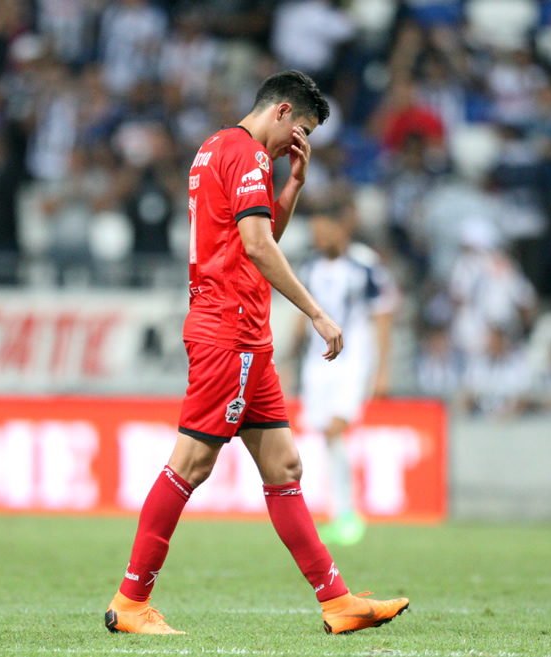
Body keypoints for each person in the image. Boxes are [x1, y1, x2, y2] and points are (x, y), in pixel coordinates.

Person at [103, 70, 409, 635]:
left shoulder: (214, 149)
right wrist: (316, 311)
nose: (299, 143)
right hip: (230, 330)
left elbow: (258, 235)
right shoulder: (246, 154)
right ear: (283, 111)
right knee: (190, 464)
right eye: (302, 131)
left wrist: (291, 184)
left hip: (242, 332)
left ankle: (338, 602)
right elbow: (256, 245)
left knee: (284, 465)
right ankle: (130, 602)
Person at [291, 208, 399, 546]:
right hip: (316, 363)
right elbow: (301, 315)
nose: (316, 237)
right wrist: (285, 357)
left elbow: (382, 316)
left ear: (341, 228)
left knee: (337, 427)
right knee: (327, 434)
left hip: (353, 361)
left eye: (322, 229)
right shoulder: (310, 266)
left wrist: (382, 370)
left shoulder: (364, 266)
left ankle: (349, 513)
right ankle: (342, 514)